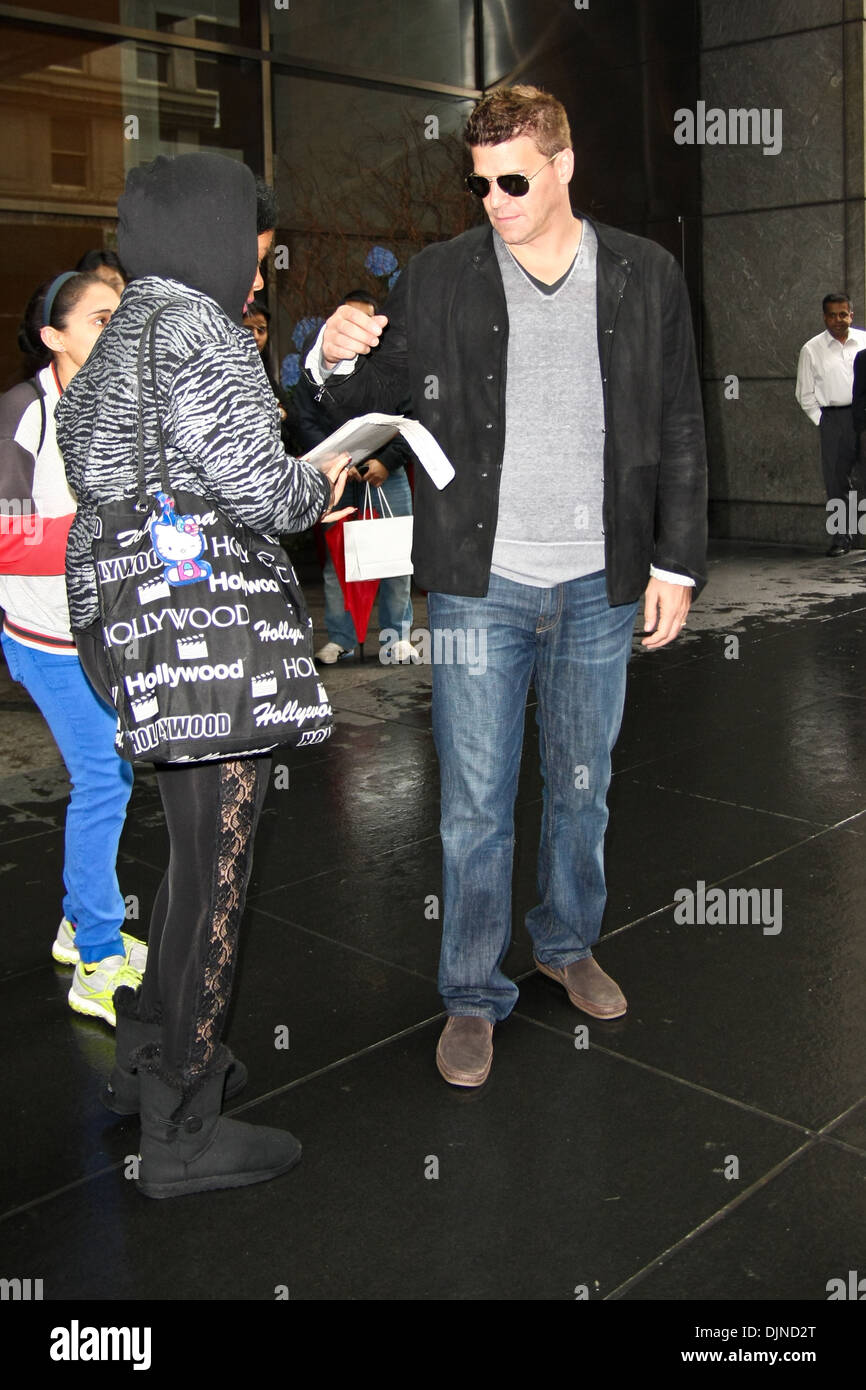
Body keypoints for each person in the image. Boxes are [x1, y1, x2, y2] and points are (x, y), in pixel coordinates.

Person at [309, 85, 708, 1086]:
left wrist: (676, 562)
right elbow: (366, 401)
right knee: (473, 806)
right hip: (476, 584)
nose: (492, 197)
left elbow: (678, 427)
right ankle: (470, 991)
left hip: (600, 583)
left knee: (583, 789)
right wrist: (328, 350)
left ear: (564, 165)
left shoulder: (642, 274)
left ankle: (564, 942)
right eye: (479, 180)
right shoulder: (440, 277)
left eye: (513, 178)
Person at [56, 152, 352, 1196]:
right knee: (217, 877)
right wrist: (325, 476)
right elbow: (263, 491)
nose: (259, 278)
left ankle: (149, 1058)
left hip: (128, 636)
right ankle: (184, 1127)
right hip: (211, 648)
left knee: (185, 864)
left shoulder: (113, 342)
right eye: (252, 251)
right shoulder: (200, 332)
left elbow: (100, 494)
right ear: (211, 238)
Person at [0, 269, 144, 1023]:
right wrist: (100, 534)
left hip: (97, 633)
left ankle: (73, 922)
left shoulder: (115, 407)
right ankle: (95, 956)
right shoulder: (23, 412)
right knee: (104, 781)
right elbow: (7, 533)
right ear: (53, 337)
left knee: (113, 776)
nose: (115, 330)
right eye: (98, 319)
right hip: (44, 639)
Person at [294, 290, 417, 664]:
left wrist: (387, 461)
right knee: (339, 564)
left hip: (385, 476)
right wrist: (337, 463)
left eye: (365, 324)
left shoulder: (392, 366)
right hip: (338, 479)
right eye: (348, 321)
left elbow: (412, 418)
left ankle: (398, 637)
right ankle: (341, 637)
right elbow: (304, 419)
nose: (355, 332)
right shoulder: (316, 368)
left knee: (396, 558)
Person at [796, 293, 866, 556]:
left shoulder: (864, 342)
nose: (838, 320)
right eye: (832, 315)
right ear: (824, 317)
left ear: (851, 314)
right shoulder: (811, 349)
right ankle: (842, 538)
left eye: (843, 314)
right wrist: (823, 421)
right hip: (834, 419)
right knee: (837, 481)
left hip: (865, 416)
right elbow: (804, 394)